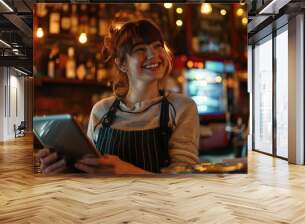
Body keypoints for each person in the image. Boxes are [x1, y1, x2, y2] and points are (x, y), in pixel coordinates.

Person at [38, 19, 200, 174]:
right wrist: (64, 170)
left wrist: (127, 172)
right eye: (140, 49)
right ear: (122, 64)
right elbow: (88, 171)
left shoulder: (182, 107)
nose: (153, 54)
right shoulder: (102, 111)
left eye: (158, 46)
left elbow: (182, 182)